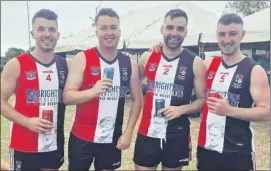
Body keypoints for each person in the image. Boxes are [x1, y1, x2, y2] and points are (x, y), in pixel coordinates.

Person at [63, 8, 143, 171]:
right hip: (82, 137)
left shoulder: (128, 63)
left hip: (111, 139)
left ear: (119, 31)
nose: (109, 32)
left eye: (113, 27)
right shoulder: (83, 58)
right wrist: (93, 92)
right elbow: (67, 96)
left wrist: (128, 132)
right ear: (96, 31)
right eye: (104, 28)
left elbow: (137, 99)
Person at [133, 9, 206, 170]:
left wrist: (182, 109)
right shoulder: (147, 57)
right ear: (162, 30)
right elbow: (134, 83)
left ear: (186, 32)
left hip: (177, 134)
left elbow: (202, 101)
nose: (174, 33)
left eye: (180, 29)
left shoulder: (195, 62)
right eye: (170, 27)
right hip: (148, 131)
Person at [196, 13, 270, 170]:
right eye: (222, 34)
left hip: (237, 151)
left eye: (233, 33)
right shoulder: (208, 64)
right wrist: (161, 48)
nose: (227, 40)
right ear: (217, 36)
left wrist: (230, 110)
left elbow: (266, 112)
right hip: (207, 148)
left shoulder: (254, 70)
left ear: (242, 35)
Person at [1, 9, 70, 171]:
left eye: (52, 29)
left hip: (53, 144)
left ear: (58, 35)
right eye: (41, 29)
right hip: (23, 144)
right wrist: (27, 122)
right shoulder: (16, 64)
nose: (47, 34)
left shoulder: (65, 66)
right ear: (32, 33)